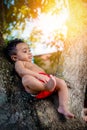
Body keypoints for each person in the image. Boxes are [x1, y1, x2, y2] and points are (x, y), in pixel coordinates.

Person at [5, 38, 74, 118]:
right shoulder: (19, 62)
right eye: (25, 51)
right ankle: (46, 87)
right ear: (15, 58)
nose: (29, 53)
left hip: (47, 82)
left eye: (29, 50)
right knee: (26, 78)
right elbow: (21, 71)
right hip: (36, 88)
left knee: (61, 82)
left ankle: (63, 106)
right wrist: (38, 75)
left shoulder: (31, 63)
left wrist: (47, 77)